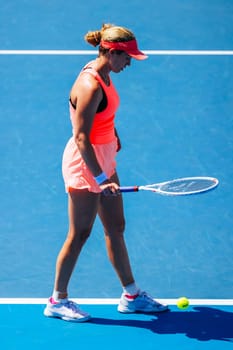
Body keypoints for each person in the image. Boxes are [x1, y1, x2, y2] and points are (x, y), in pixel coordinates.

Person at [44, 23, 168, 322]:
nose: (129, 63)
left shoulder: (104, 72)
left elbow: (102, 117)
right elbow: (82, 137)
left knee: (116, 227)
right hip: (86, 164)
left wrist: (113, 136)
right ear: (111, 52)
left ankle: (131, 295)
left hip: (104, 156)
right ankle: (57, 301)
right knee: (80, 233)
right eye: (127, 58)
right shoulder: (90, 85)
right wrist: (100, 179)